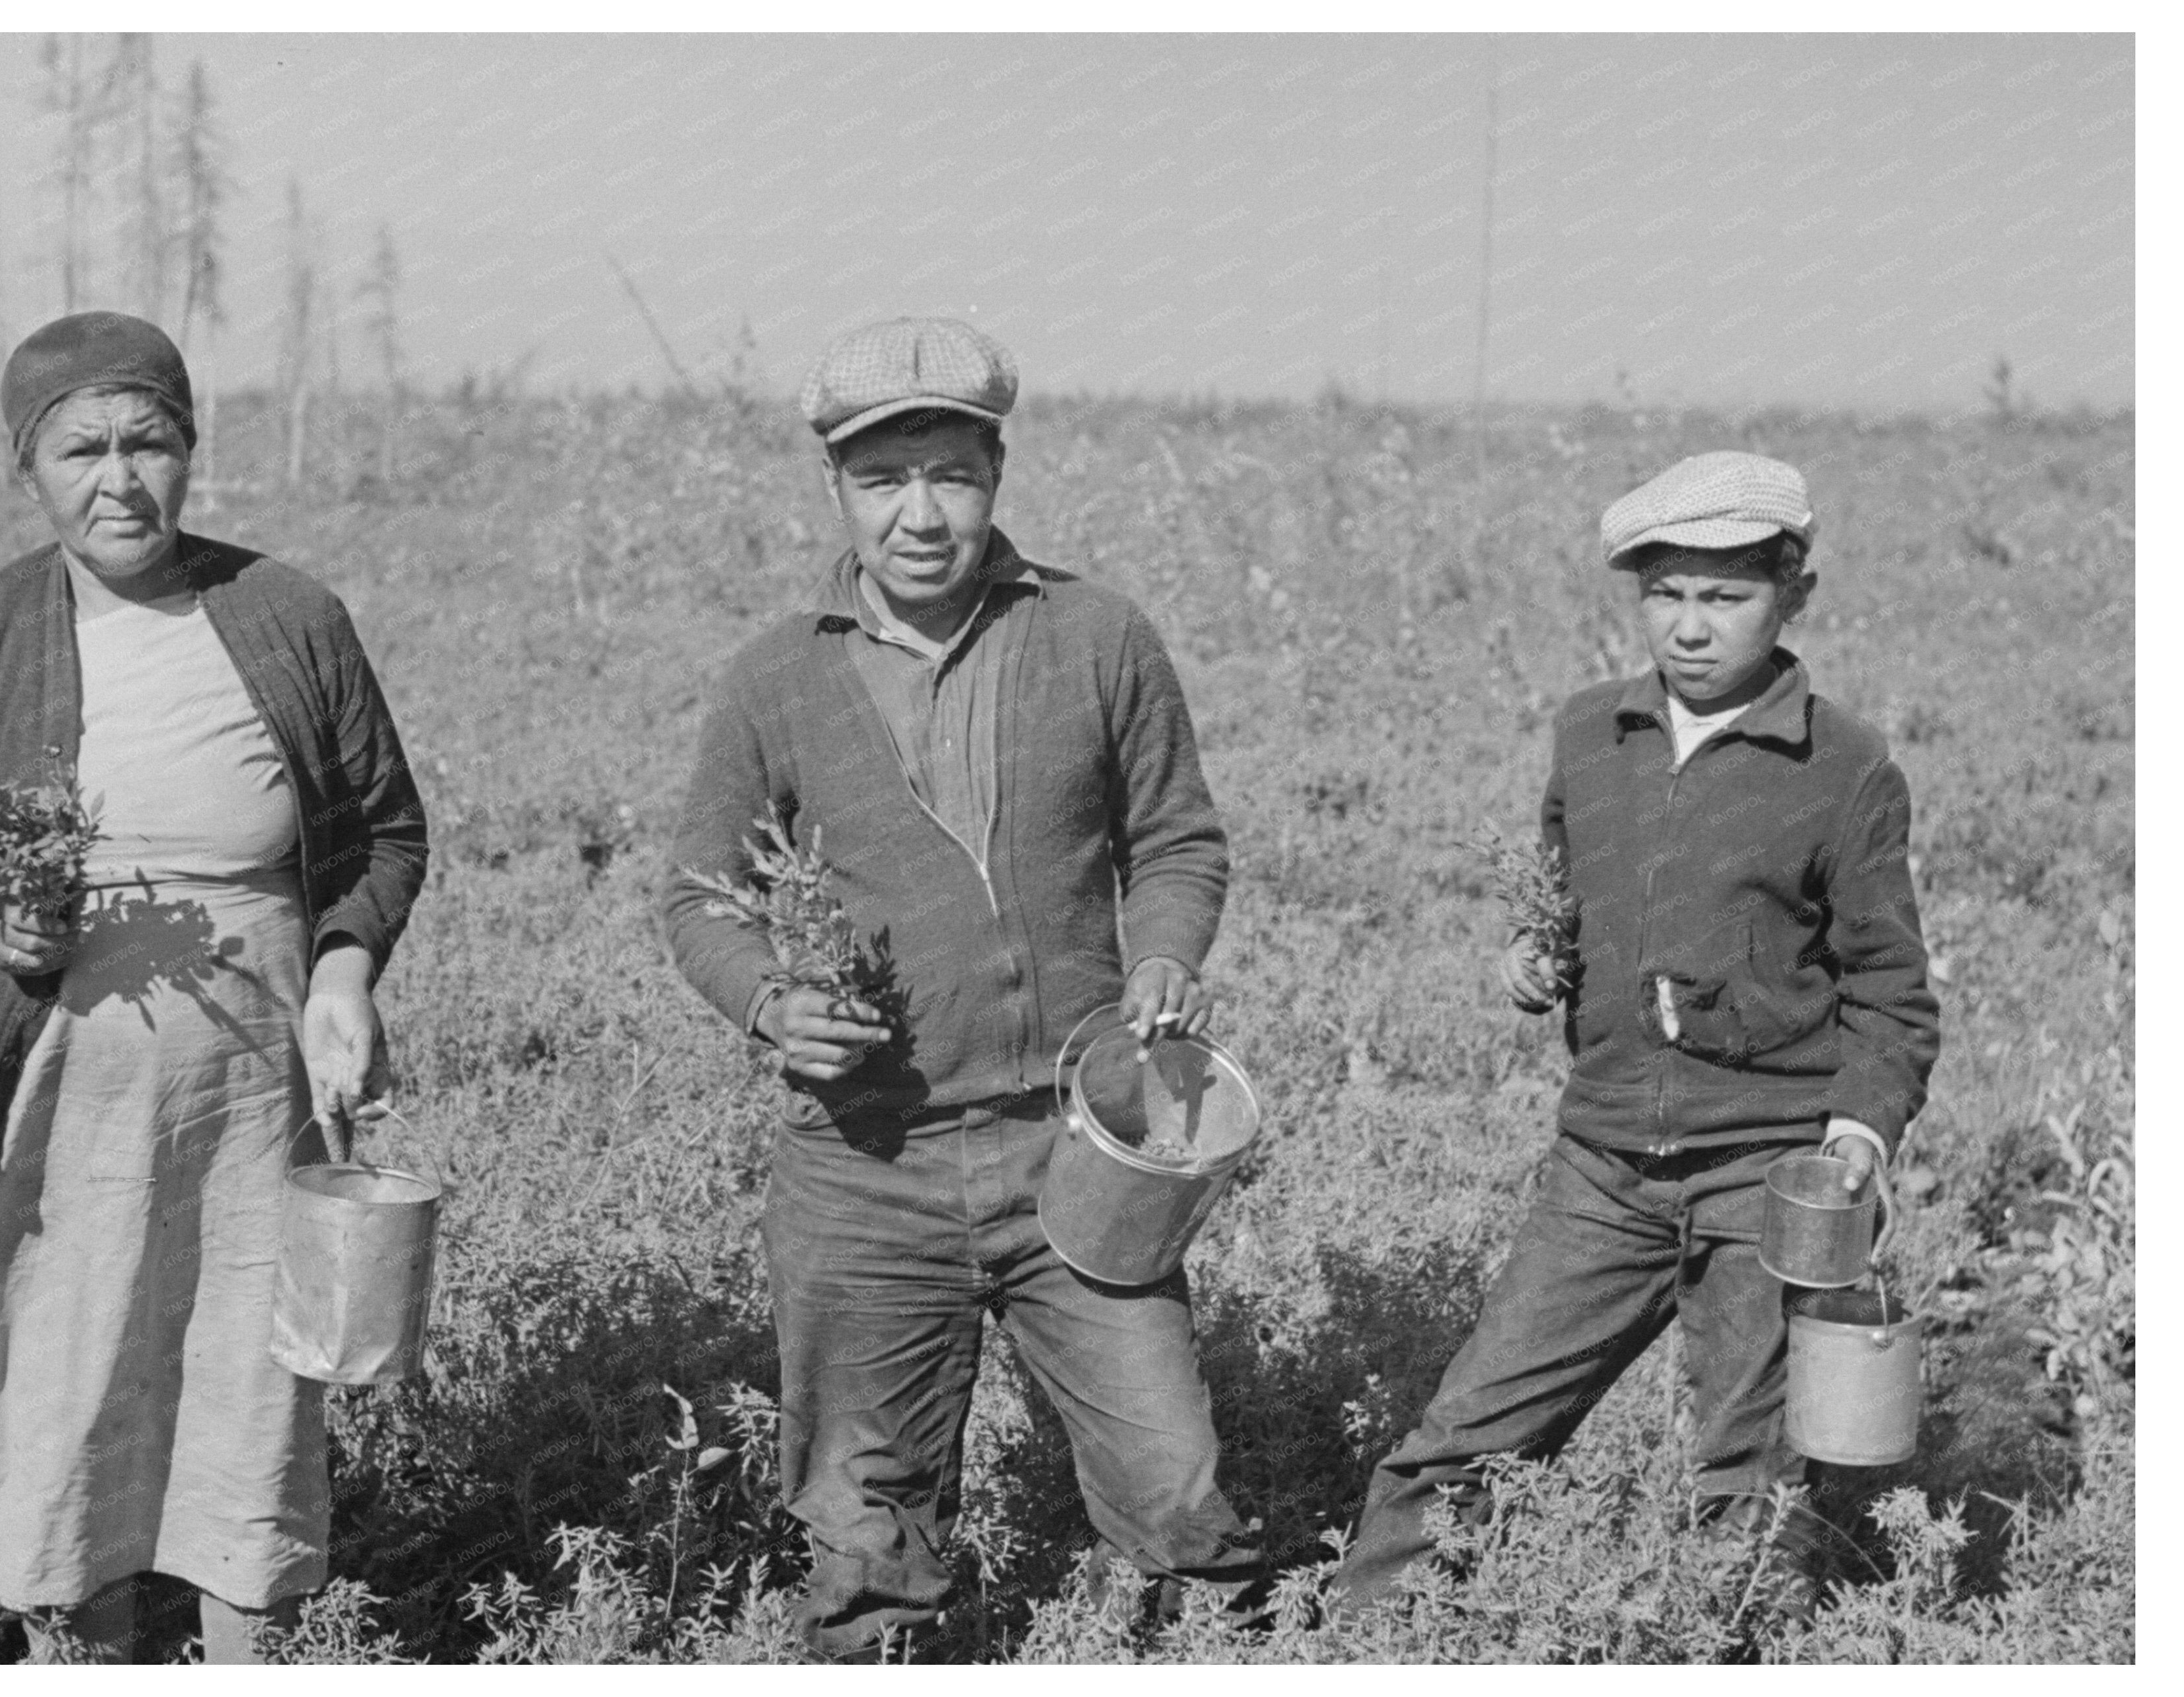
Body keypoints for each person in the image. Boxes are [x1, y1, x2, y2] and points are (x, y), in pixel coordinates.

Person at [0, 312, 427, 1662]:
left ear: (190, 449)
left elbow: (383, 833)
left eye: (150, 442)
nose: (121, 479)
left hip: (247, 1098)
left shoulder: (288, 618)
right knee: (67, 1374)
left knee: (247, 1383)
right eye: (82, 450)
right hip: (43, 1100)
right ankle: (80, 1650)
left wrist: (344, 968)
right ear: (28, 468)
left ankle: (245, 1656)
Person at [660, 317, 1265, 1658]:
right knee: (864, 1531)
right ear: (837, 490)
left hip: (1082, 1146)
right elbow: (700, 896)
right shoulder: (776, 677)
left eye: (950, 475)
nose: (919, 515)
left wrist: (1160, 955)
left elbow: (1174, 840)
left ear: (995, 474)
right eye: (884, 481)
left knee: (1174, 1491)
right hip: (865, 1162)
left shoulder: (1096, 637)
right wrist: (770, 1001)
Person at [1330, 451, 1941, 1604]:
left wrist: (1858, 1136)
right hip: (1602, 1165)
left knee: (1752, 1480)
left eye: (1726, 597)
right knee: (1465, 1438)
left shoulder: (1846, 769)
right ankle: (1357, 1648)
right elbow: (1555, 902)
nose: (1692, 628)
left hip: (1767, 1173)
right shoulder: (1588, 734)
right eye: (1666, 594)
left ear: (1792, 593)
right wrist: (1530, 959)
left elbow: (1889, 992)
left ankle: (1738, 1651)